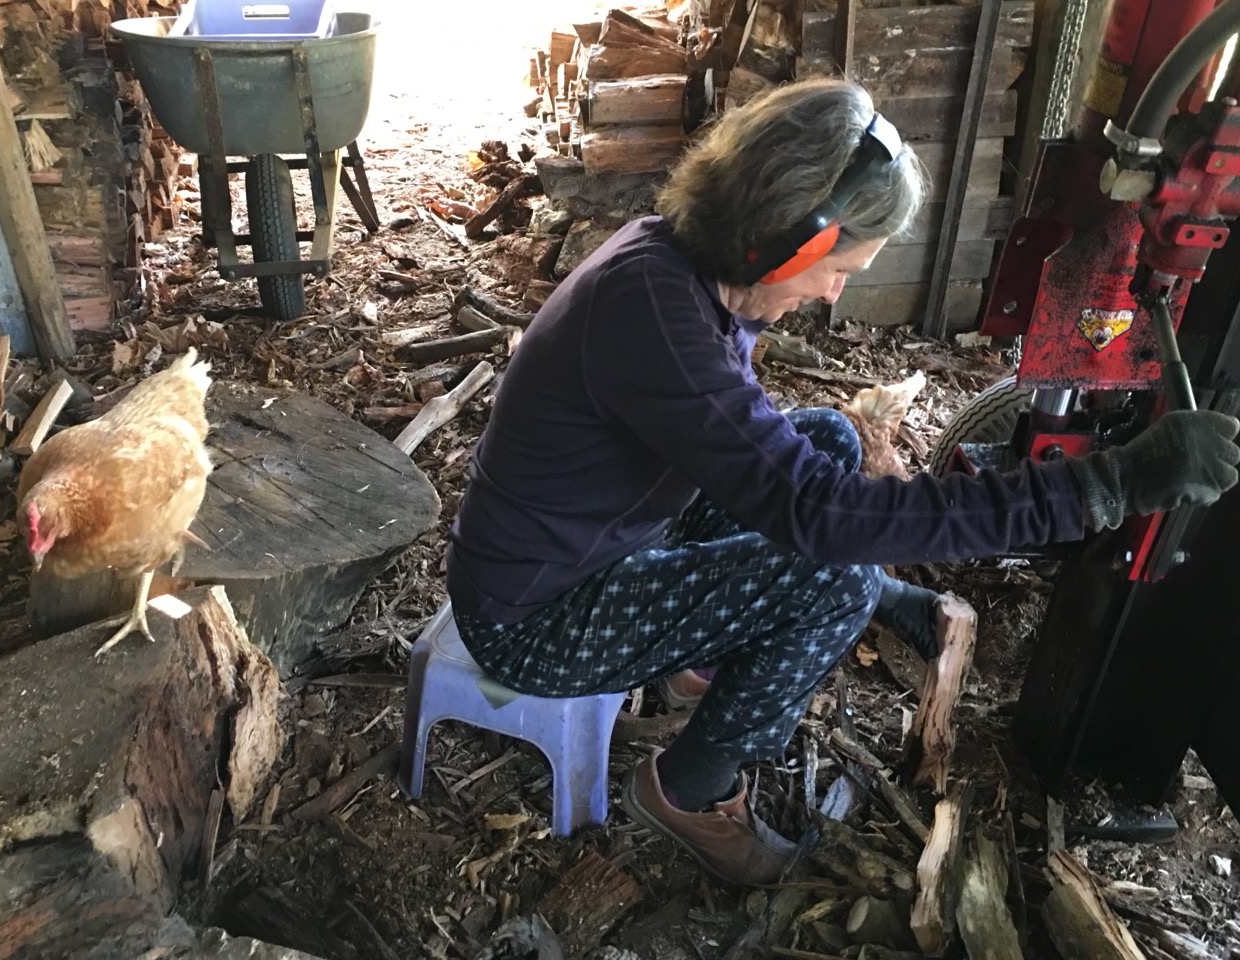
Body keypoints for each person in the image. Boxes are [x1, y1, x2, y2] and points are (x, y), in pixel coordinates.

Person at [444, 78, 1240, 886]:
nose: (835, 291)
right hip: (535, 617)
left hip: (609, 532)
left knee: (825, 436)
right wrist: (1097, 488)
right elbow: (820, 518)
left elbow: (786, 477)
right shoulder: (655, 320)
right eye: (838, 269)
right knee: (832, 579)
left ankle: (698, 663)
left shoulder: (686, 266)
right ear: (779, 240)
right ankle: (688, 789)